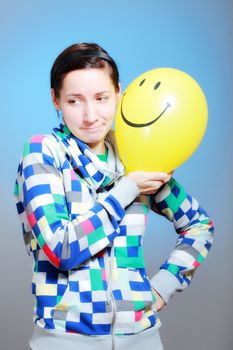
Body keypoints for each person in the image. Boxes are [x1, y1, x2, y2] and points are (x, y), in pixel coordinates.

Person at [14, 43, 214, 350]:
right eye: (74, 100)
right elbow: (62, 248)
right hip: (64, 340)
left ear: (119, 93)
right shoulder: (43, 153)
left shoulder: (137, 152)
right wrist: (127, 189)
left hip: (142, 339)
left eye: (102, 98)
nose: (90, 115)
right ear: (56, 99)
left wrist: (163, 286)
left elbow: (199, 226)